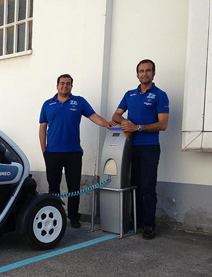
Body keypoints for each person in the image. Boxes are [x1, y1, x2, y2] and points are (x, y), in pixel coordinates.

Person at [39, 74, 114, 228]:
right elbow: (42, 128)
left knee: (73, 186)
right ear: (57, 85)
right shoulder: (47, 104)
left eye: (68, 84)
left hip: (73, 152)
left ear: (71, 86)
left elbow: (93, 116)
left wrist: (107, 124)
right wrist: (44, 151)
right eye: (62, 83)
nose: (65, 86)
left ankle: (73, 217)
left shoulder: (78, 102)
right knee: (53, 186)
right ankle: (55, 215)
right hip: (52, 153)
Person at [112, 59, 169, 240]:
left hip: (149, 147)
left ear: (153, 73)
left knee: (147, 186)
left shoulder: (160, 95)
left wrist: (138, 128)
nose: (144, 73)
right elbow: (116, 115)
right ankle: (136, 220)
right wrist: (125, 123)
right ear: (137, 74)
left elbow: (163, 124)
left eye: (148, 71)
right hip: (130, 148)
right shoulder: (130, 95)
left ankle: (149, 224)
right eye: (141, 71)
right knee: (135, 185)